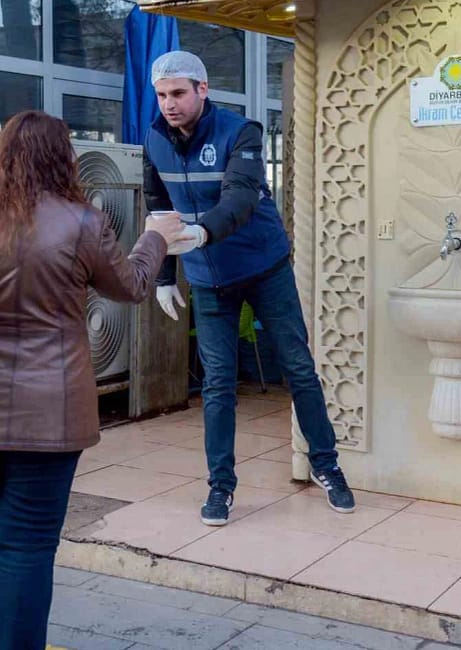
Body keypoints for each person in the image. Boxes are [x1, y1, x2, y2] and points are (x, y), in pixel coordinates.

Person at [0, 111, 189, 649]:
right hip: (51, 416)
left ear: (1, 155)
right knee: (27, 548)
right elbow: (130, 286)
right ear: (65, 160)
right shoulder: (82, 222)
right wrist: (155, 239)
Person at [143, 51, 356, 526]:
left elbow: (240, 197)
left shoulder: (242, 132)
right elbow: (157, 204)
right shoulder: (154, 138)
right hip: (207, 277)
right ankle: (220, 488)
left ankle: (327, 466)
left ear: (202, 90)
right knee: (218, 385)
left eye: (178, 93)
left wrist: (201, 233)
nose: (169, 104)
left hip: (263, 265)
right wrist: (162, 275)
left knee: (298, 367)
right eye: (161, 95)